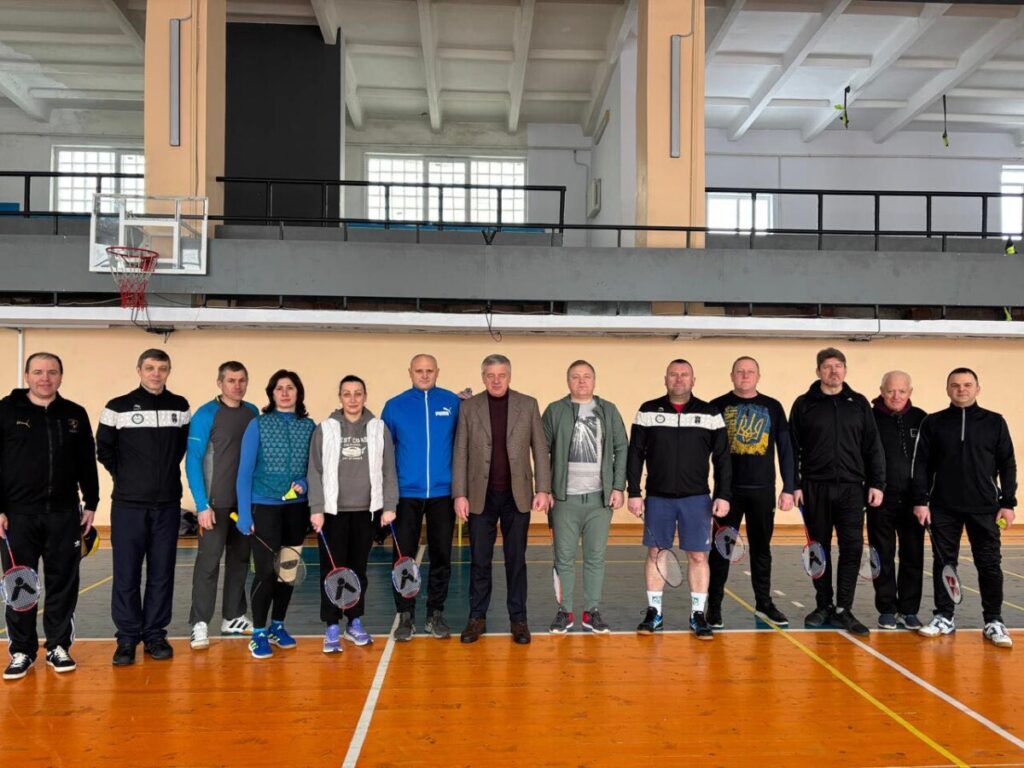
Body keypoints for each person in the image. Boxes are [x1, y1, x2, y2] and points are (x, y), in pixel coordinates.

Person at [0, 352, 99, 680]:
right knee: (21, 585)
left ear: (61, 376)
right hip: (18, 516)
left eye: (52, 372)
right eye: (39, 372)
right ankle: (22, 651)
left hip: (63, 515)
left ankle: (58, 646)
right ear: (27, 376)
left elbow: (86, 460)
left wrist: (92, 502)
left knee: (62, 583)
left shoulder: (74, 414)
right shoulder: (6, 411)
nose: (45, 378)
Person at [97, 348, 191, 666]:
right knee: (126, 574)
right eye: (150, 368)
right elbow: (104, 449)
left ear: (168, 371)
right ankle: (126, 639)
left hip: (167, 505)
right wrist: (127, 477)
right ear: (139, 370)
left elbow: (181, 448)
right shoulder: (117, 407)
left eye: (162, 368)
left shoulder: (180, 406)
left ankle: (154, 635)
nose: (155, 373)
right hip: (128, 507)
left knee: (162, 574)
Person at [627, 359, 732, 640]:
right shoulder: (648, 410)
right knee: (656, 553)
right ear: (665, 379)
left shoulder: (710, 413)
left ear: (693, 380)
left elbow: (723, 458)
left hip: (697, 499)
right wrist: (634, 492)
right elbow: (635, 453)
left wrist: (723, 494)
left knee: (698, 556)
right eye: (673, 374)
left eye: (684, 375)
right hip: (658, 498)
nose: (679, 379)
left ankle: (698, 614)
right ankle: (655, 612)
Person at [912, 367, 1016, 647]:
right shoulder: (933, 423)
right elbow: (920, 465)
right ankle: (944, 617)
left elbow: (1007, 464)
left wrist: (1008, 503)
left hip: (985, 507)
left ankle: (993, 620)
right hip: (943, 507)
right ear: (948, 389)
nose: (961, 389)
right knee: (944, 563)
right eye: (955, 385)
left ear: (977, 389)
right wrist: (921, 501)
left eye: (967, 385)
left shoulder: (995, 422)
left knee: (989, 564)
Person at [452, 354, 551, 645]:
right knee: (479, 561)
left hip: (516, 496)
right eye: (490, 375)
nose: (496, 380)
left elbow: (540, 449)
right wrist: (460, 494)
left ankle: (519, 619)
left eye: (502, 375)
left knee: (516, 560)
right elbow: (460, 452)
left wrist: (543, 489)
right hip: (479, 496)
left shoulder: (528, 404)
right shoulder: (469, 407)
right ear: (483, 377)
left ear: (509, 376)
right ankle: (477, 618)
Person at [789, 347, 884, 636]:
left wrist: (877, 483)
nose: (834, 371)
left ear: (845, 370)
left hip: (852, 489)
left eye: (838, 366)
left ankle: (844, 608)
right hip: (814, 488)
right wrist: (793, 485)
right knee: (819, 549)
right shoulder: (804, 404)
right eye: (828, 366)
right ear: (818, 371)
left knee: (852, 547)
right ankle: (823, 605)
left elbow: (873, 446)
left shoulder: (859, 403)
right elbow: (792, 448)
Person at [308, 375, 398, 653]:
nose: (353, 399)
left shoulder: (378, 428)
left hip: (366, 513)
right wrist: (316, 509)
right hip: (332, 513)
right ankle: (332, 626)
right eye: (347, 393)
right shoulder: (326, 428)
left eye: (358, 393)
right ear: (340, 397)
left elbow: (389, 470)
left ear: (365, 396)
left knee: (358, 571)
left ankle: (354, 621)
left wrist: (389, 505)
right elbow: (314, 471)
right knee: (333, 570)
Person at [708, 356, 795, 628]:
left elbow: (786, 450)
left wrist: (789, 487)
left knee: (762, 550)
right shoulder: (717, 406)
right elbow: (700, 449)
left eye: (750, 372)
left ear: (758, 376)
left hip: (763, 492)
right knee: (721, 550)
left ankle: (764, 603)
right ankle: (714, 607)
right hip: (727, 494)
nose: (745, 376)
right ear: (732, 375)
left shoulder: (773, 406)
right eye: (740, 371)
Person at [542, 360, 628, 634]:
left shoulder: (608, 410)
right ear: (568, 381)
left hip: (598, 501)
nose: (581, 381)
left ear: (594, 380)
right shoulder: (555, 410)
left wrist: (618, 487)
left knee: (595, 557)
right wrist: (544, 488)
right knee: (563, 559)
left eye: (586, 376)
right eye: (576, 377)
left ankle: (592, 612)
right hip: (564, 500)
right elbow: (541, 450)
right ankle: (564, 612)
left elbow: (621, 448)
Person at [235, 370, 315, 659]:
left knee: (287, 572)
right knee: (266, 572)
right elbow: (244, 472)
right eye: (279, 388)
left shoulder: (309, 426)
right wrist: (245, 513)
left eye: (290, 387)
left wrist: (304, 482)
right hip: (263, 507)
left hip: (296, 509)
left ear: (298, 392)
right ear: (271, 393)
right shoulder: (258, 425)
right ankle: (258, 632)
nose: (284, 393)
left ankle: (277, 626)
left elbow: (314, 468)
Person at [381, 354, 461, 641]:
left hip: (443, 494)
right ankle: (406, 614)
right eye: (419, 370)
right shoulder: (394, 406)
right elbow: (383, 454)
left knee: (441, 556)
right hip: (406, 495)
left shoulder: (453, 403)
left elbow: (463, 445)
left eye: (429, 370)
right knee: (403, 559)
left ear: (437, 372)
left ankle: (435, 613)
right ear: (410, 372)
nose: (424, 375)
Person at [185, 361, 259, 650]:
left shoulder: (252, 412)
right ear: (220, 383)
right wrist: (202, 505)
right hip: (214, 506)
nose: (237, 386)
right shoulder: (206, 414)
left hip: (244, 505)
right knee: (208, 563)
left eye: (241, 380)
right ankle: (200, 622)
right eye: (231, 380)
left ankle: (233, 616)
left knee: (240, 561)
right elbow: (193, 461)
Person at [870, 371, 926, 630]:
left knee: (913, 555)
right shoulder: (870, 418)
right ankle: (887, 609)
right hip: (880, 499)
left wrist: (924, 498)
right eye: (890, 390)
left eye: (902, 391)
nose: (896, 396)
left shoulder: (922, 419)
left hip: (914, 501)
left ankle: (909, 610)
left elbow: (929, 461)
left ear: (910, 392)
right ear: (882, 391)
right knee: (882, 554)